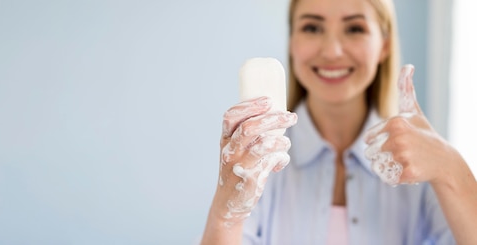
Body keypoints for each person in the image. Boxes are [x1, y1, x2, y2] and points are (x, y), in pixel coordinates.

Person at [201, 0, 477, 244]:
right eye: (312, 27)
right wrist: (227, 213)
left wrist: (451, 168)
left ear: (385, 45)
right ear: (292, 42)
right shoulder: (258, 163)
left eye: (354, 28)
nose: (332, 51)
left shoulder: (421, 168)